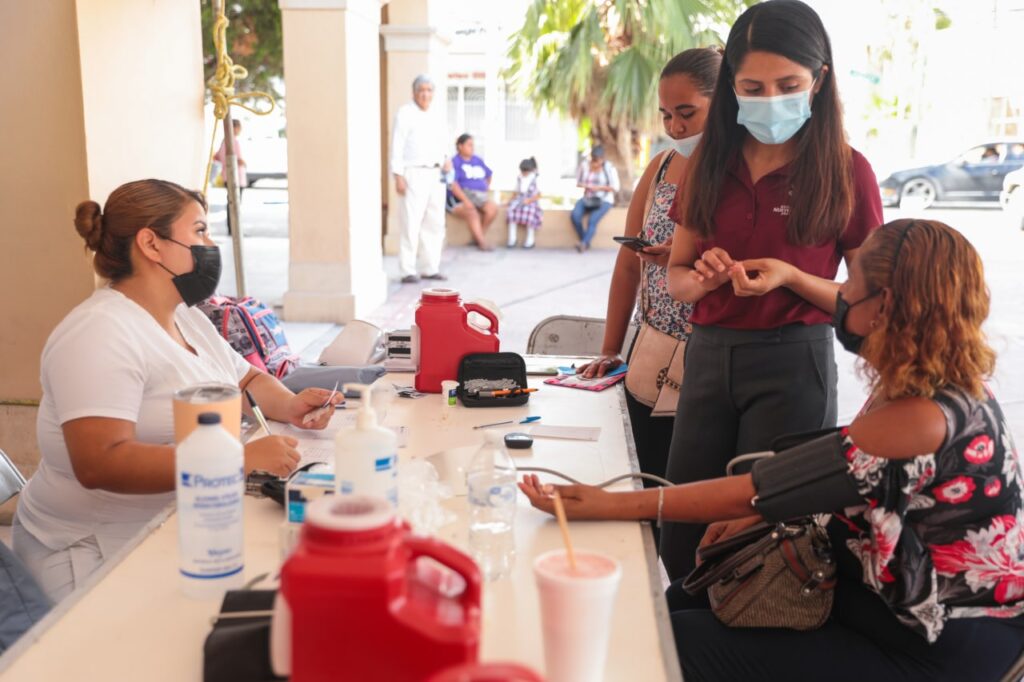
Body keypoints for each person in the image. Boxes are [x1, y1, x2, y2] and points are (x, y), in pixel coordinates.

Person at [521, 219, 1024, 682]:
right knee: (682, 595)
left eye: (852, 286)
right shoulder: (936, 385)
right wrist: (762, 514)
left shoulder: (919, 415)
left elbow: (759, 490)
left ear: (887, 307)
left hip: (933, 645)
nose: (842, 295)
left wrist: (608, 504)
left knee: (674, 642)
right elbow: (843, 483)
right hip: (885, 605)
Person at [12, 179, 343, 602]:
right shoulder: (99, 333)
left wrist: (292, 405)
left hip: (180, 524)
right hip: (95, 554)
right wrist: (234, 460)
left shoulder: (185, 317)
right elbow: (99, 461)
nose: (210, 244)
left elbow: (244, 380)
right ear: (151, 243)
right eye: (200, 231)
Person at [659, 0, 884, 581]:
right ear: (731, 86)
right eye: (752, 87)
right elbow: (678, 277)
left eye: (788, 85)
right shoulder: (710, 159)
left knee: (766, 531)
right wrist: (701, 278)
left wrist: (791, 278)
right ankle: (677, 643)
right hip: (706, 356)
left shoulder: (845, 170)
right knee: (684, 522)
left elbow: (869, 305)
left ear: (820, 80)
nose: (770, 99)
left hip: (793, 363)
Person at [576, 48, 722, 493]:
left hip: (708, 355)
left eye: (687, 114)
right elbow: (627, 267)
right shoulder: (660, 167)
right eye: (666, 116)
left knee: (691, 489)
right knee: (644, 478)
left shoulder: (737, 173)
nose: (676, 128)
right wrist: (611, 349)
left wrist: (686, 259)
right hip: (650, 349)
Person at [390, 74, 450, 284]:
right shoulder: (405, 113)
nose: (425, 94)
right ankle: (407, 269)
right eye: (421, 90)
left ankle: (430, 267)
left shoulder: (437, 114)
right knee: (411, 222)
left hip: (436, 173)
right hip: (412, 173)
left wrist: (446, 159)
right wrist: (398, 175)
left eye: (429, 90)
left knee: (435, 223)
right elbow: (397, 145)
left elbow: (443, 141)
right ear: (414, 92)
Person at [449, 134, 498, 251]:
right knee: (471, 212)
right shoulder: (455, 162)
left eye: (473, 145)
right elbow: (453, 184)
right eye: (469, 145)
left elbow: (489, 175)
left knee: (492, 208)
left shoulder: (477, 160)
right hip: (460, 198)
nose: (472, 148)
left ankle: (477, 238)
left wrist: (485, 187)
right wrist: (466, 201)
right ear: (460, 146)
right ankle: (482, 243)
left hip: (479, 196)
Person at [570, 146, 620, 252]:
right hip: (588, 198)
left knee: (592, 220)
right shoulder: (584, 166)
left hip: (604, 200)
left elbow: (615, 187)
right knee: (575, 216)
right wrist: (587, 186)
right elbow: (578, 183)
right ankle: (585, 241)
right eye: (593, 160)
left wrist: (598, 188)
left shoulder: (609, 168)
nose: (595, 164)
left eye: (597, 161)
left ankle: (583, 243)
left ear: (602, 160)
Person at [213, 119, 247, 236]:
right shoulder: (233, 142)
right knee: (235, 204)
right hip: (235, 177)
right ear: (234, 128)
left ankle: (232, 229)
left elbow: (216, 157)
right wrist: (242, 162)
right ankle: (234, 229)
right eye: (239, 127)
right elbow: (237, 159)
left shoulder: (224, 142)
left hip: (228, 176)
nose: (240, 130)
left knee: (231, 203)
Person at [506, 157, 542, 249]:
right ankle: (512, 239)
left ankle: (530, 240)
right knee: (511, 211)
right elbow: (516, 192)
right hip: (520, 200)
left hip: (531, 201)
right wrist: (509, 201)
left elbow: (539, 194)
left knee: (530, 214)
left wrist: (529, 200)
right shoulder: (520, 178)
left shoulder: (535, 178)